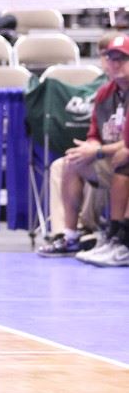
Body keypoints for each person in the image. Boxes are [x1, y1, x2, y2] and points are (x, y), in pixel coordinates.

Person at [39, 32, 129, 263]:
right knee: (69, 162)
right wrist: (91, 147)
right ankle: (71, 236)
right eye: (111, 58)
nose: (115, 64)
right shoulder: (104, 95)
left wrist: (98, 151)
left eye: (122, 59)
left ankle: (118, 238)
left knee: (123, 159)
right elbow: (94, 134)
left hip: (119, 157)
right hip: (109, 156)